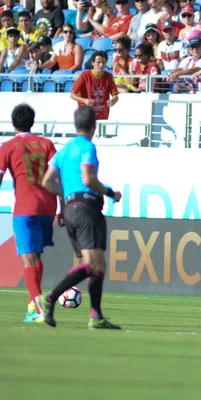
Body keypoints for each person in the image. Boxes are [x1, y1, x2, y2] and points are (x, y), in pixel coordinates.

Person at [37, 107, 123, 329]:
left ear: (76, 125)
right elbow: (88, 178)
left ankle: (96, 317)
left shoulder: (64, 151)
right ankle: (52, 297)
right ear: (95, 126)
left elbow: (47, 181)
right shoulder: (88, 147)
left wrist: (67, 194)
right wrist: (109, 192)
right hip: (86, 208)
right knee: (95, 264)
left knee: (97, 265)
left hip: (70, 209)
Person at [0, 104, 58, 323]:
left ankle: (38, 306)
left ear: (13, 123)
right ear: (32, 122)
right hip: (48, 206)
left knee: (27, 259)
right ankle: (32, 307)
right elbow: (57, 174)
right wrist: (61, 205)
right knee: (37, 256)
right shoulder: (47, 143)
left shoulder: (7, 147)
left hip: (25, 207)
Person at [70, 50, 119, 121]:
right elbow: (72, 94)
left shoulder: (109, 76)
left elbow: (115, 96)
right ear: (93, 63)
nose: (101, 65)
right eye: (98, 62)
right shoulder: (84, 76)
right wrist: (84, 100)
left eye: (103, 62)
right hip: (86, 116)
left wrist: (113, 100)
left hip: (102, 116)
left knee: (101, 132)